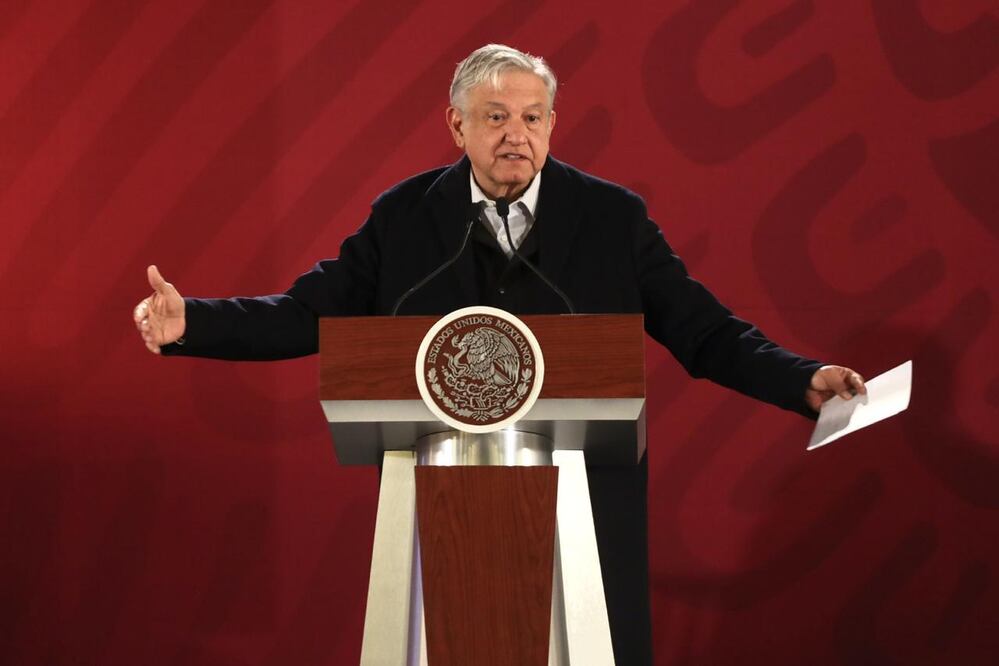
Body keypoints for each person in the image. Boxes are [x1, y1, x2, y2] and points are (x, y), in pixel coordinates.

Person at [133, 44, 866, 665]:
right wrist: (189, 324)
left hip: (585, 493)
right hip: (445, 497)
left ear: (550, 125)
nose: (515, 134)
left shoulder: (611, 217)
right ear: (456, 125)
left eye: (531, 117)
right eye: (494, 117)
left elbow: (703, 331)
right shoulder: (405, 217)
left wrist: (801, 380)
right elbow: (305, 314)